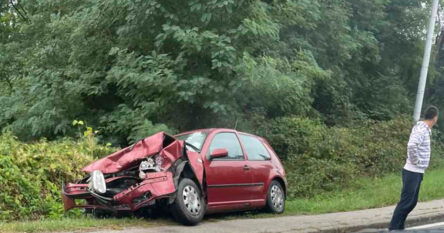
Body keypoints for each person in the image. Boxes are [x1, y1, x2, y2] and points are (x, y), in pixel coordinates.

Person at [389, 105, 439, 230]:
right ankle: (393, 228)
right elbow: (411, 145)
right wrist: (416, 161)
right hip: (412, 171)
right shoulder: (421, 129)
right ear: (435, 118)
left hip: (417, 172)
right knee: (406, 202)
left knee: (411, 202)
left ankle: (399, 227)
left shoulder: (425, 129)